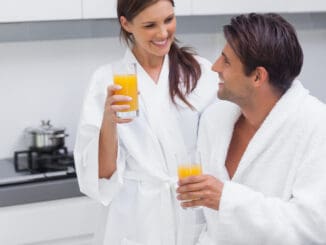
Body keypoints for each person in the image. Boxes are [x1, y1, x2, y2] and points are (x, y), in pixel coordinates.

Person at [74, 0, 217, 244]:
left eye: (169, 20)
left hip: (188, 205)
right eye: (150, 25)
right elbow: (102, 176)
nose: (163, 33)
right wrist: (109, 120)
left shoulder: (200, 72)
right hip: (135, 218)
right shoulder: (106, 79)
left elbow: (222, 143)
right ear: (126, 24)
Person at [177, 13, 326, 244]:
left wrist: (226, 199)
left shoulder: (316, 125)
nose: (215, 67)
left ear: (257, 76)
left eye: (226, 61)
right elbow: (204, 221)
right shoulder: (214, 120)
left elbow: (312, 228)